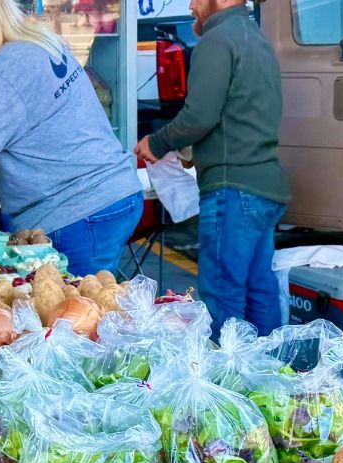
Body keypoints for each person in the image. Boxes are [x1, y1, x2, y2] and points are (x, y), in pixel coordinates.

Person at [0, 0, 142, 277]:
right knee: (90, 304)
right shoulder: (37, 42)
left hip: (76, 210)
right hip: (111, 192)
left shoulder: (6, 73)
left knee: (73, 314)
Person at [134, 0, 288, 334]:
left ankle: (225, 382)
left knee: (222, 295)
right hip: (264, 187)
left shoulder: (217, 41)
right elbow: (236, 113)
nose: (190, 6)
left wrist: (156, 143)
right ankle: (269, 374)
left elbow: (199, 116)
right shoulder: (254, 37)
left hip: (233, 189)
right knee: (259, 288)